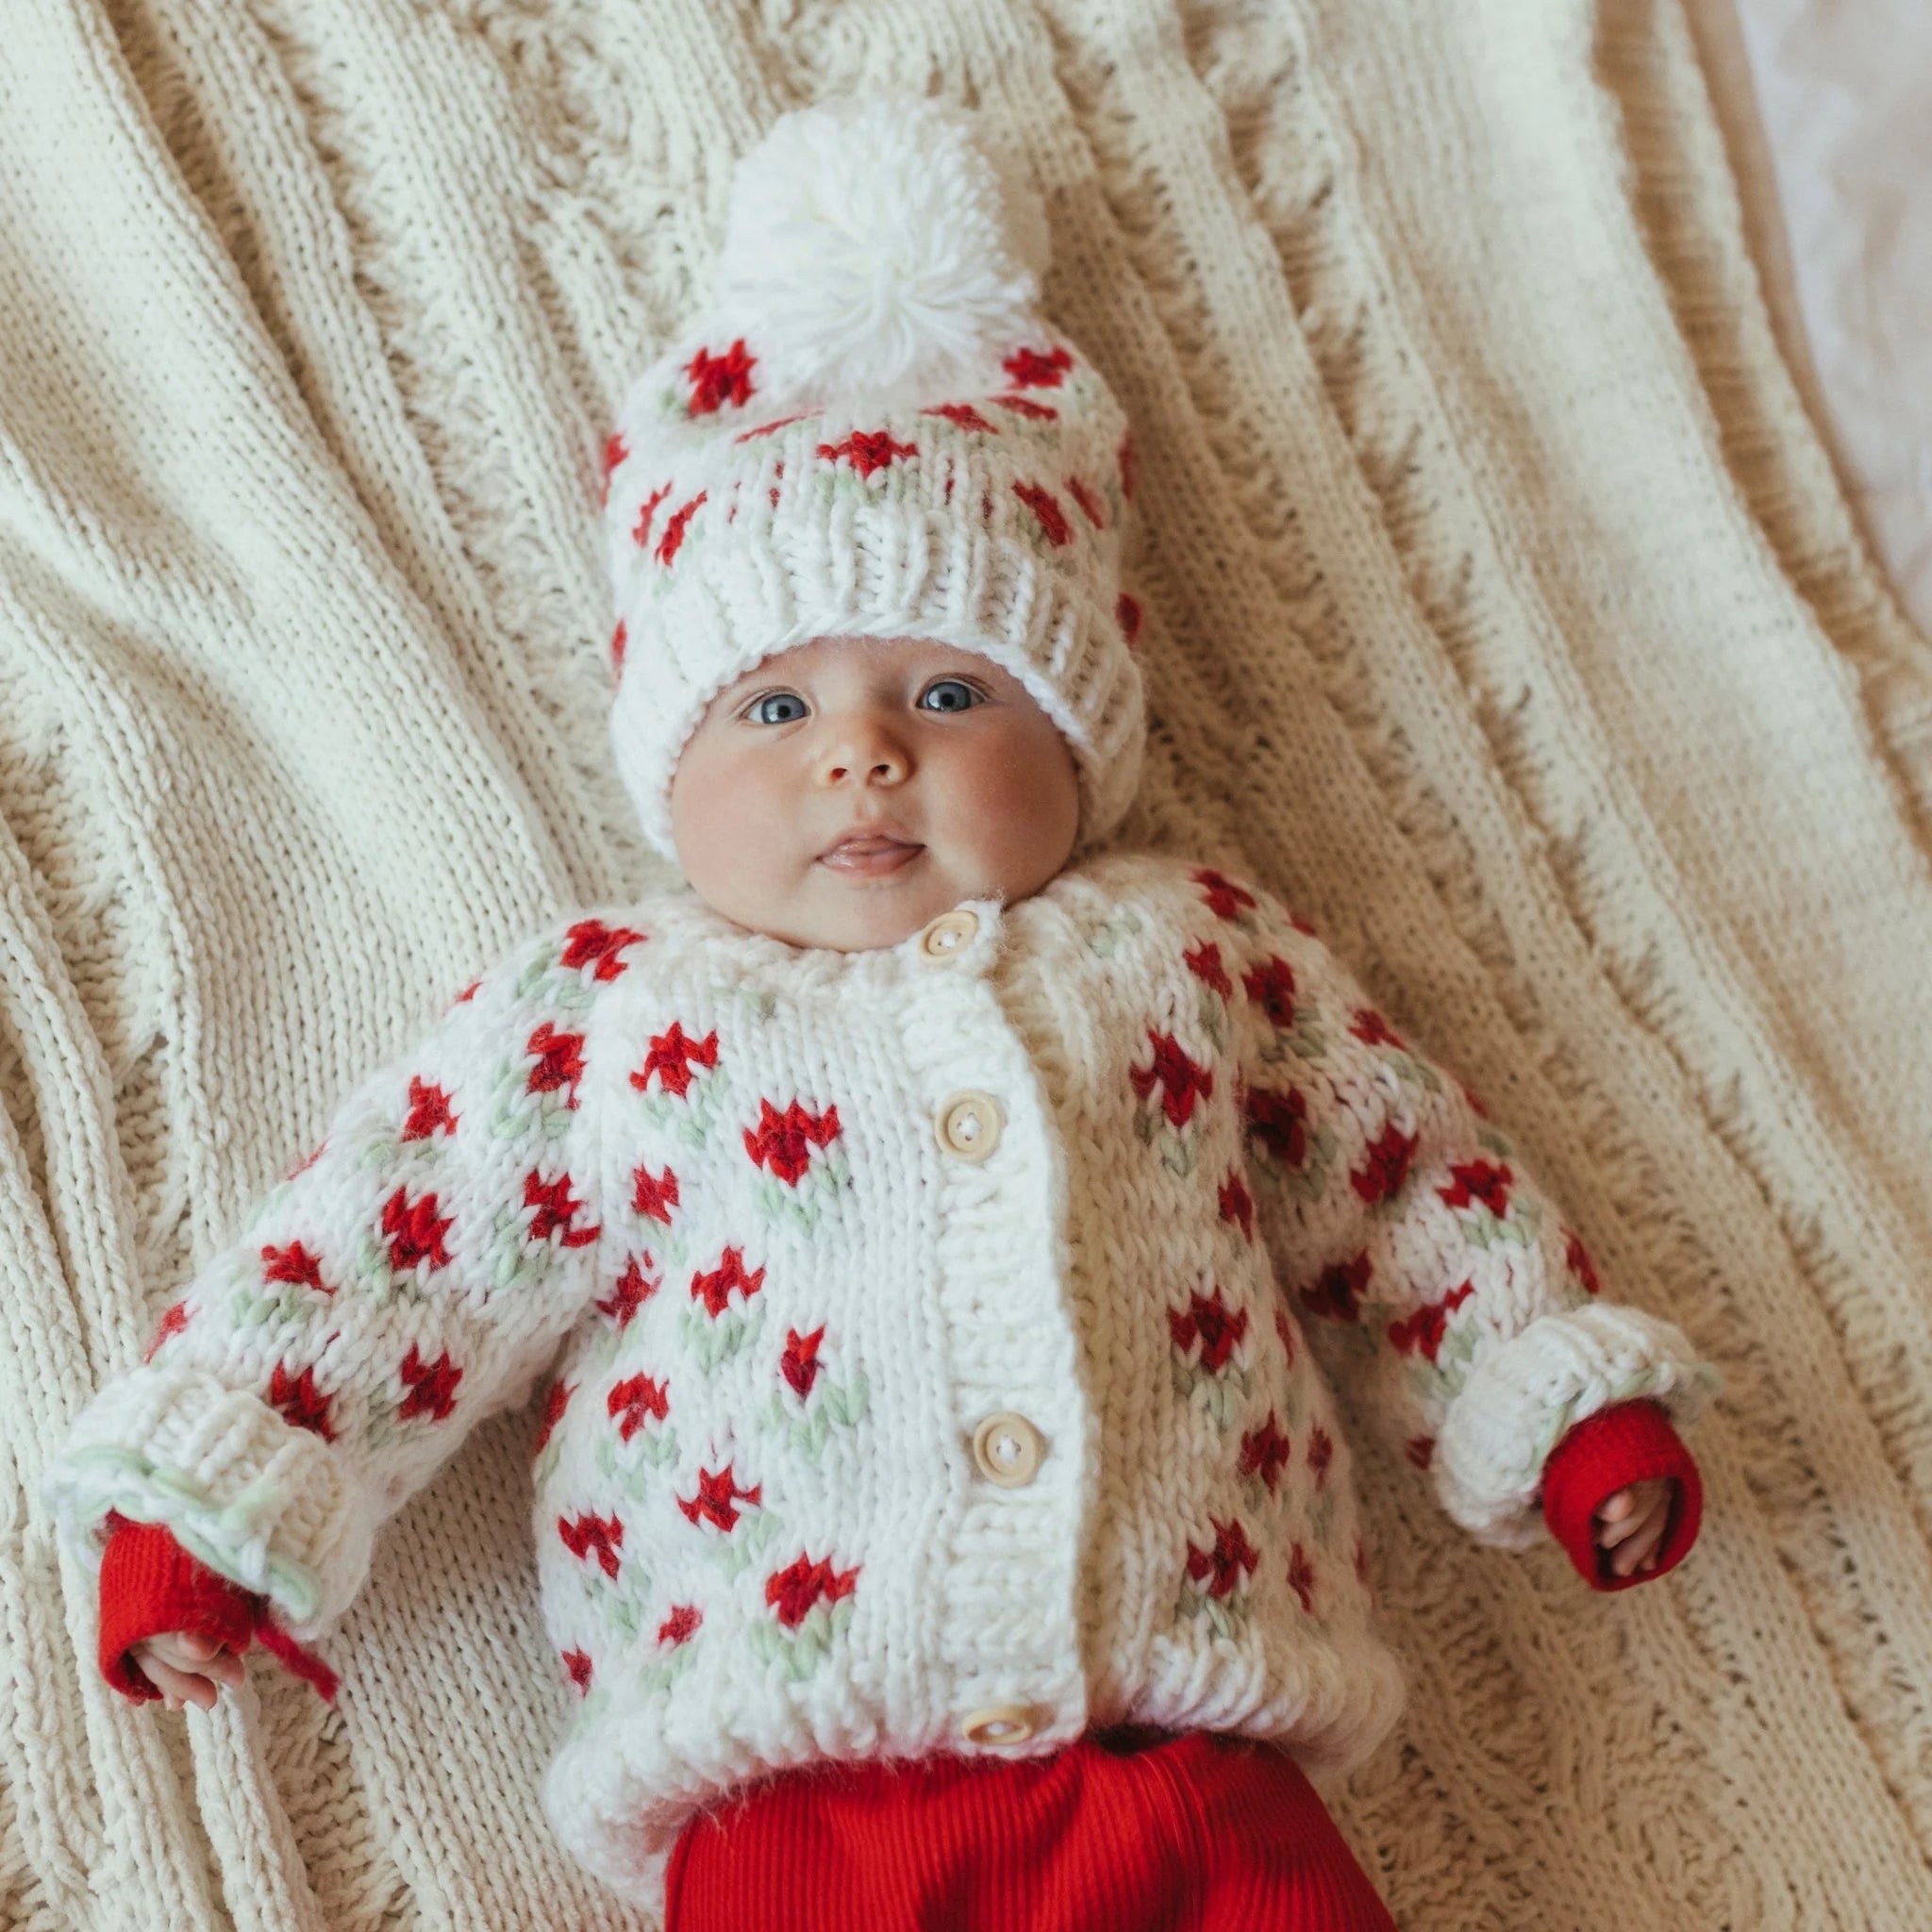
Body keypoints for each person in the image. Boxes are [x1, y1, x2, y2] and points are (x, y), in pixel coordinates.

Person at [43, 95, 1720, 1930]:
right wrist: (211, 1508)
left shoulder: (1190, 953)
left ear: (1080, 751)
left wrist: (1557, 1410)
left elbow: (1402, 1189)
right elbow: (389, 1250)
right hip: (791, 1798)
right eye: (773, 707)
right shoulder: (607, 1014)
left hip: (1198, 1761)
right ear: (664, 768)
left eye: (943, 687)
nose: (861, 748)